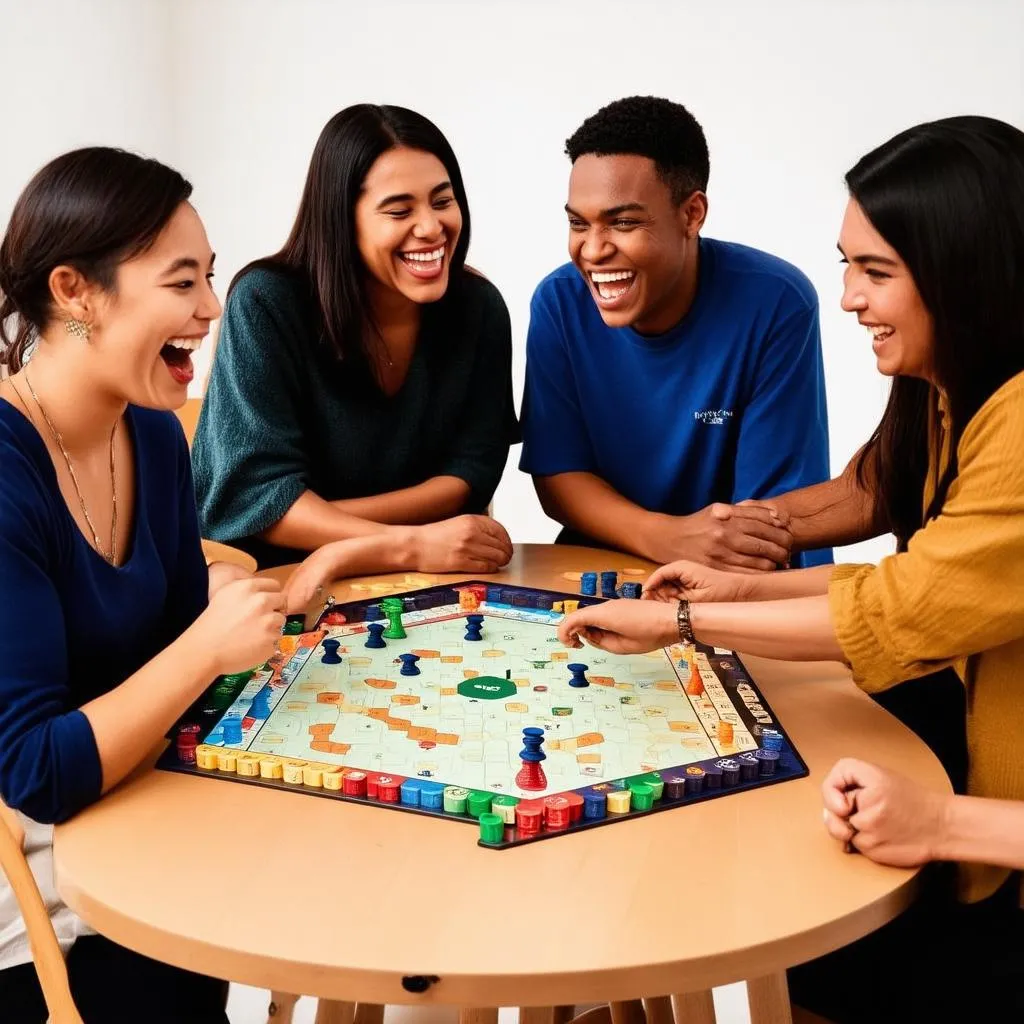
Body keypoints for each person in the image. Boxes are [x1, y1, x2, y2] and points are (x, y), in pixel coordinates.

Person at [557, 115, 1024, 1020]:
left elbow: (903, 607)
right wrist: (733, 578)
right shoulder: (955, 387)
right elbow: (878, 501)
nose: (847, 297)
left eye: (876, 271)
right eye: (847, 263)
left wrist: (683, 620)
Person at [0, 147, 286, 1021]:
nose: (210, 309)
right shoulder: (7, 470)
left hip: (140, 827)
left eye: (210, 277)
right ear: (74, 292)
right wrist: (210, 644)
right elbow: (33, 771)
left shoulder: (154, 433)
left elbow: (178, 650)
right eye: (181, 282)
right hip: (35, 908)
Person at [192, 104, 518, 570]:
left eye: (443, 201)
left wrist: (314, 518)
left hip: (427, 578)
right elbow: (252, 499)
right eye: (399, 210)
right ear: (341, 219)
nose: (431, 227)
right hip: (280, 578)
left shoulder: (479, 307)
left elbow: (472, 475)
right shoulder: (266, 302)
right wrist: (412, 544)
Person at [518, 96, 831, 571]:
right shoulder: (558, 303)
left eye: (623, 222)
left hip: (742, 573)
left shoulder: (777, 302)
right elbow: (559, 476)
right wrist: (666, 538)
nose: (594, 249)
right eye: (579, 223)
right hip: (598, 572)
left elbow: (771, 516)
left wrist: (693, 556)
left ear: (692, 214)